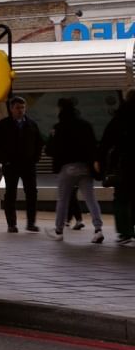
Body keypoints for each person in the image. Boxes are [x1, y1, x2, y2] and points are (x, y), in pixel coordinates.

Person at [45, 98, 104, 243]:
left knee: (63, 200)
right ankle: (98, 230)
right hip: (85, 167)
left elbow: (50, 149)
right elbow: (93, 146)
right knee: (91, 199)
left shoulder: (59, 127)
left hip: (67, 168)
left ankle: (59, 231)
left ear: (60, 109)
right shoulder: (86, 125)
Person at [0, 96, 43, 233]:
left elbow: (39, 142)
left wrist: (35, 158)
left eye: (22, 107)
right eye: (17, 108)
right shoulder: (3, 125)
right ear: (11, 109)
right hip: (11, 165)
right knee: (10, 193)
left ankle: (31, 223)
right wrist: (4, 160)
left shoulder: (31, 124)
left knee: (32, 193)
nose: (20, 110)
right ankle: (11, 224)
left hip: (28, 164)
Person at [98, 89, 135, 244]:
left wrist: (100, 160)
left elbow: (106, 141)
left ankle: (125, 232)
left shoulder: (120, 117)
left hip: (124, 164)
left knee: (121, 198)